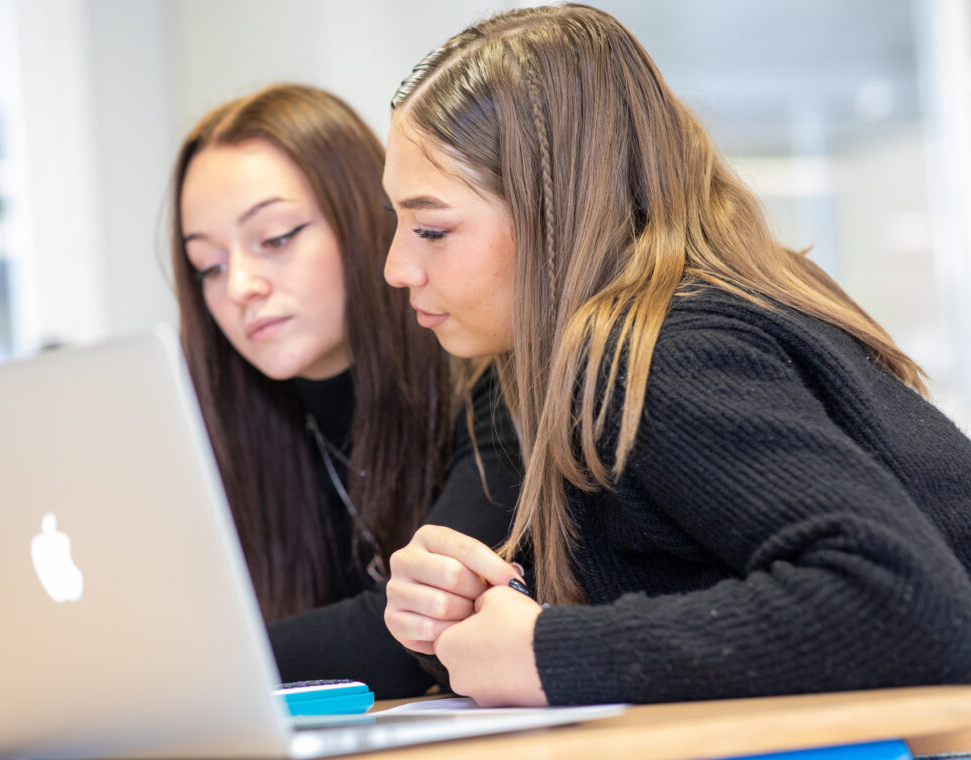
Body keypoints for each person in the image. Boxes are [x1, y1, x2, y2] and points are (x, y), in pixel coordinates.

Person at [380, 3, 971, 711]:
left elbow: (904, 604)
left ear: (554, 214)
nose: (396, 267)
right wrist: (474, 613)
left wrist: (551, 653)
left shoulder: (665, 351)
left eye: (430, 228)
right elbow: (695, 589)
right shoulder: (625, 343)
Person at [169, 84, 522, 698]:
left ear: (370, 221)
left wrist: (166, 666)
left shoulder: (497, 388)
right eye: (210, 266)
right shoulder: (231, 428)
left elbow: (410, 639)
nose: (241, 286)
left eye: (275, 237)